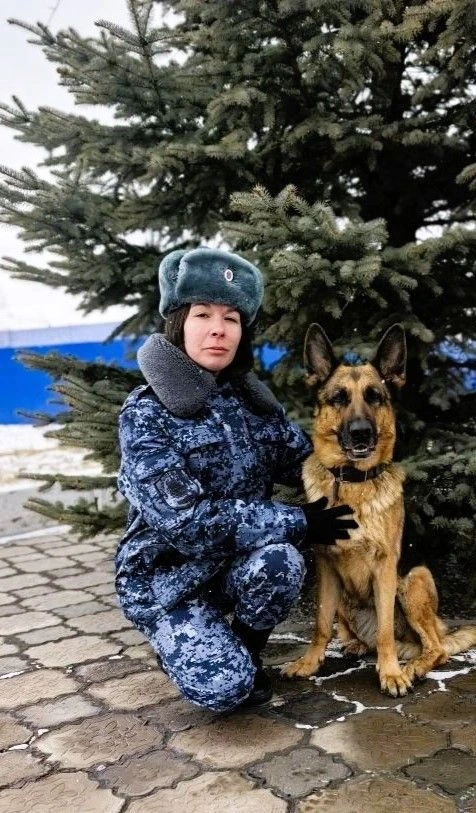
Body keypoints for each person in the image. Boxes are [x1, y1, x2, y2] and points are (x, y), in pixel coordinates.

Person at [115, 246, 357, 713]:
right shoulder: (147, 414)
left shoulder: (251, 404)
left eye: (231, 318)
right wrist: (299, 520)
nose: (218, 329)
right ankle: (182, 642)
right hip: (169, 578)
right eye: (203, 314)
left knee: (282, 562)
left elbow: (305, 462)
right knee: (225, 692)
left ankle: (243, 648)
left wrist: (360, 456)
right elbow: (188, 524)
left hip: (232, 566)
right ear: (178, 324)